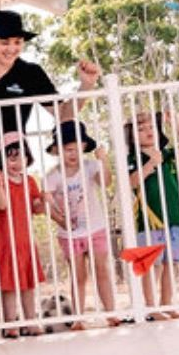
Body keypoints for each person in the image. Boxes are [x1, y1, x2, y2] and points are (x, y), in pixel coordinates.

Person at [0, 9, 100, 154]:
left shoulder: (31, 73)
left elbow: (63, 113)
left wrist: (86, 85)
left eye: (17, 42)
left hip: (12, 157)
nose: (12, 48)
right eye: (5, 43)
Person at [42, 121, 117, 326]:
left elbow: (106, 182)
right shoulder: (52, 176)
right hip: (70, 233)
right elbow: (47, 203)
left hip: (95, 227)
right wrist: (60, 220)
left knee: (102, 269)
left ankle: (111, 313)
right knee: (78, 275)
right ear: (57, 150)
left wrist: (104, 161)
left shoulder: (90, 166)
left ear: (84, 147)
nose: (72, 154)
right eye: (67, 150)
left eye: (76, 149)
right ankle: (78, 318)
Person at [123, 109, 179, 318]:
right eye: (141, 128)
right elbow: (131, 182)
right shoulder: (131, 158)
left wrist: (177, 124)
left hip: (173, 216)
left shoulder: (167, 153)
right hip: (149, 220)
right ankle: (151, 307)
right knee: (152, 265)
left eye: (151, 127)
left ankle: (166, 304)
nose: (147, 131)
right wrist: (150, 164)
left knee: (171, 264)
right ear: (132, 135)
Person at [0, 131, 46, 336]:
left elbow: (36, 208)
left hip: (24, 240)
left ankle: (31, 321)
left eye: (21, 157)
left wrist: (43, 201)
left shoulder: (29, 181)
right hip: (4, 240)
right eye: (11, 158)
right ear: (2, 160)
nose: (17, 162)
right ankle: (10, 324)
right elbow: (1, 205)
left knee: (28, 284)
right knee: (8, 285)